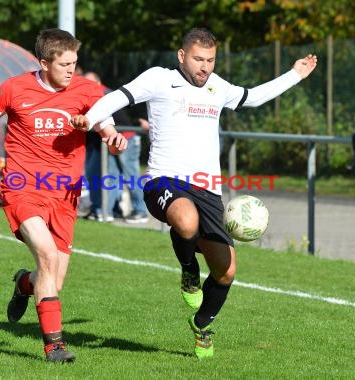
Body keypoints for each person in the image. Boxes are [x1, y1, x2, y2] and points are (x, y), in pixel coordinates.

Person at [71, 27, 317, 359]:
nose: (205, 67)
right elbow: (118, 96)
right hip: (164, 181)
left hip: (209, 189)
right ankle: (189, 269)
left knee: (226, 271)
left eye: (211, 60)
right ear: (182, 56)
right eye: (199, 59)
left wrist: (295, 75)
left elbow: (253, 96)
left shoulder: (218, 87)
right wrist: (90, 118)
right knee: (186, 222)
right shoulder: (159, 78)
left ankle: (202, 324)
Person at [0, 28, 127, 362]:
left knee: (53, 279)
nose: (72, 69)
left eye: (75, 62)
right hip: (21, 186)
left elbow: (105, 126)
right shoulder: (14, 88)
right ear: (44, 63)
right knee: (46, 255)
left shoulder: (87, 90)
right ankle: (54, 346)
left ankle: (23, 284)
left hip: (65, 194)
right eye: (64, 64)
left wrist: (113, 138)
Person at [82, 71, 123, 222]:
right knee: (93, 175)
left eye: (90, 82)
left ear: (98, 83)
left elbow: (116, 119)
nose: (87, 86)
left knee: (112, 176)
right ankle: (98, 208)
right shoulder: (81, 95)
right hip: (94, 142)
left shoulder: (106, 95)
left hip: (114, 139)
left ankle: (107, 210)